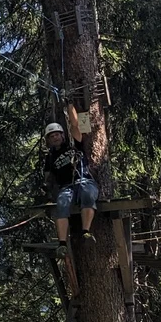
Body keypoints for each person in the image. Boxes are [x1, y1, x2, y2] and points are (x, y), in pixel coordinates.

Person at [43, 102, 98, 245]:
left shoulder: (74, 146)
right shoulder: (49, 158)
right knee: (61, 204)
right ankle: (62, 243)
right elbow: (48, 177)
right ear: (48, 140)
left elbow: (74, 125)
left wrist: (70, 105)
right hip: (66, 186)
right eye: (52, 136)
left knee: (87, 194)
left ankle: (85, 231)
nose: (55, 138)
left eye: (57, 135)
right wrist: (48, 191)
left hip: (84, 180)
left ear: (62, 135)